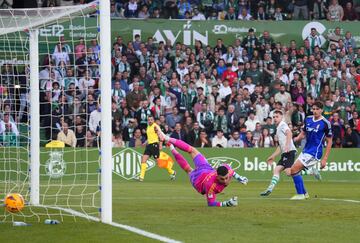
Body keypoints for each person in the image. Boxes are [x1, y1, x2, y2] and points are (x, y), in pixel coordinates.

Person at [157, 128, 248, 207]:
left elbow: (233, 173)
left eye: (226, 178)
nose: (224, 181)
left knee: (190, 161)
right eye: (222, 179)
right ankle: (168, 140)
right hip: (202, 175)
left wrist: (240, 178)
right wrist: (227, 203)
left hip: (202, 176)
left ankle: (170, 145)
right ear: (217, 175)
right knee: (190, 158)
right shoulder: (211, 186)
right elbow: (211, 204)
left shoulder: (227, 170)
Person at [290, 101, 332, 200]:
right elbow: (303, 133)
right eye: (313, 109)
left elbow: (329, 141)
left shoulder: (325, 123)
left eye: (317, 109)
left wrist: (325, 159)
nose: (315, 111)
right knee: (292, 172)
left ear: (322, 110)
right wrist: (296, 139)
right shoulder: (308, 119)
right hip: (306, 150)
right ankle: (304, 193)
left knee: (294, 170)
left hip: (315, 152)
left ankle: (300, 194)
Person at [260, 110, 298, 196]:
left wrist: (288, 145)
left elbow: (289, 133)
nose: (275, 118)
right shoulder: (278, 128)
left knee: (288, 172)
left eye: (277, 117)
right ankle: (269, 189)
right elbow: (280, 146)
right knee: (276, 170)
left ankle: (310, 171)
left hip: (290, 151)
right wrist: (272, 156)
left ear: (282, 117)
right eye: (274, 117)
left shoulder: (282, 125)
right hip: (285, 153)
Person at [138, 115, 176, 181]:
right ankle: (141, 177)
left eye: (151, 120)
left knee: (160, 163)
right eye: (149, 120)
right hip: (149, 146)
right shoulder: (148, 127)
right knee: (143, 160)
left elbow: (160, 135)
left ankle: (172, 172)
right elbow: (150, 137)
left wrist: (160, 144)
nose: (150, 121)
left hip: (154, 145)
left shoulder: (155, 126)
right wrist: (145, 143)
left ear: (153, 120)